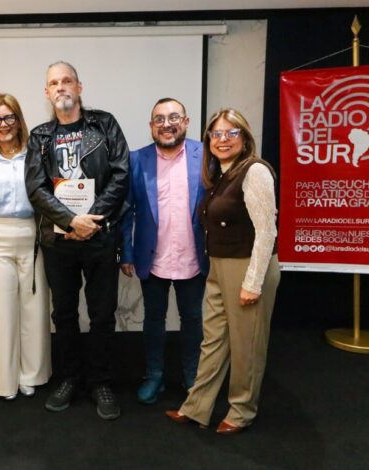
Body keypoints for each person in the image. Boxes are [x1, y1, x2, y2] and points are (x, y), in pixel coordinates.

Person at [165, 108, 280, 435]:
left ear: (245, 137)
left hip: (248, 267)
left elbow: (267, 232)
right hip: (218, 266)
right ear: (208, 140)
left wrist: (253, 282)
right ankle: (197, 406)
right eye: (216, 134)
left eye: (232, 133)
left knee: (247, 345)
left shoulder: (255, 171)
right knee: (213, 340)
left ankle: (242, 411)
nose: (223, 139)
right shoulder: (220, 176)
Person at [25, 61, 129, 420]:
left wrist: (90, 221)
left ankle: (101, 382)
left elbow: (121, 175)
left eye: (67, 80)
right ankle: (69, 378)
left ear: (79, 87)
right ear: (47, 92)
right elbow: (35, 188)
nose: (61, 87)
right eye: (54, 83)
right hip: (59, 241)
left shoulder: (104, 124)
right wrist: (70, 221)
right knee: (64, 313)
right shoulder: (40, 136)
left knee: (102, 314)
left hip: (100, 235)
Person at [120, 98, 208, 405]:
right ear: (151, 126)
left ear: (185, 122)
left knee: (193, 320)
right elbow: (126, 211)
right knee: (153, 320)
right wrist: (126, 253)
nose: (166, 124)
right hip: (152, 257)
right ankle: (154, 375)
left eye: (173, 118)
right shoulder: (137, 159)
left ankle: (192, 376)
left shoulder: (205, 155)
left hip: (193, 257)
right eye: (159, 119)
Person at [0, 93, 51, 401]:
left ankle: (31, 375)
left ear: (19, 121)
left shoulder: (37, 157)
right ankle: (2, 381)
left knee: (34, 308)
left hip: (32, 235)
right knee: (0, 311)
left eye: (9, 117)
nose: (3, 124)